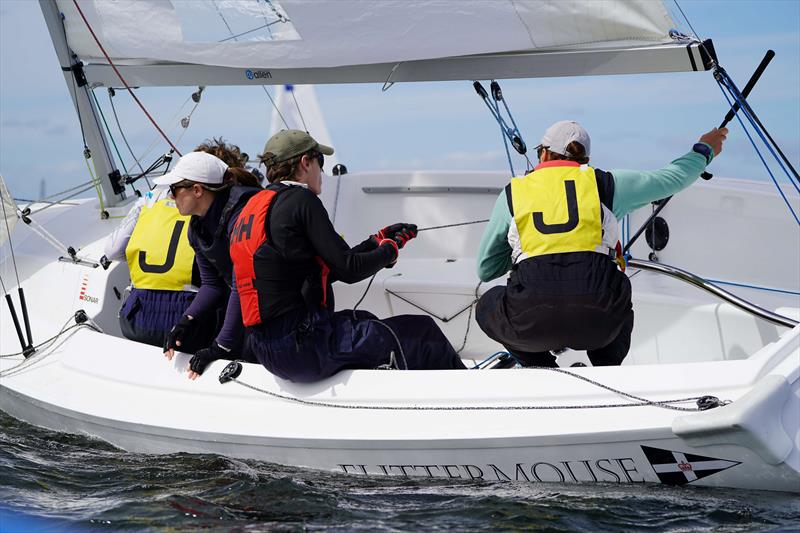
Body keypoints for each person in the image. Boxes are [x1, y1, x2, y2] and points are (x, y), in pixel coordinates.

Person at [475, 120, 728, 367]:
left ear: (543, 155)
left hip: (529, 327)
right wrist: (703, 150)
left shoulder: (513, 193)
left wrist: (529, 251)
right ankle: (607, 368)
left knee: (487, 304)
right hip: (596, 326)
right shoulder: (606, 185)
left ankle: (541, 368)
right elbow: (671, 179)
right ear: (585, 160)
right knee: (619, 285)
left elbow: (486, 270)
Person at [228, 129, 466, 383]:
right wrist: (390, 250)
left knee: (366, 321)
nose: (322, 171)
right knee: (422, 332)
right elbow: (349, 270)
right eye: (321, 161)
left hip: (268, 349)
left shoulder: (254, 209)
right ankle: (469, 396)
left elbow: (323, 271)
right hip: (304, 347)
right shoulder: (301, 200)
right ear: (305, 162)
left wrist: (375, 242)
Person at [103, 139, 249, 351]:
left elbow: (113, 251)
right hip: (191, 325)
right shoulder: (210, 214)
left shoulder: (148, 202)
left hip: (135, 319)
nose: (173, 193)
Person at [154, 150, 262, 379]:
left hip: (272, 307)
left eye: (174, 190)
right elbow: (212, 284)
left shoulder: (241, 217)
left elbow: (241, 281)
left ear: (197, 190)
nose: (171, 197)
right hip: (250, 304)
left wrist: (220, 346)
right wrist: (185, 320)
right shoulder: (197, 229)